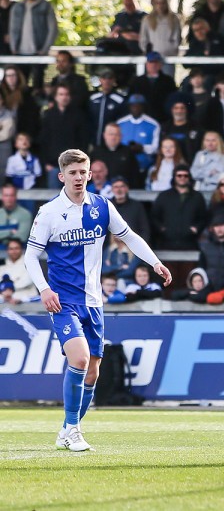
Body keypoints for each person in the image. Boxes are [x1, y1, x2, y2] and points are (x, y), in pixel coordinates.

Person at [24, 149, 172, 452]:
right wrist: (43, 289)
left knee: (93, 371)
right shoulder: (49, 212)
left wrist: (155, 263)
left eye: (84, 172)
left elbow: (129, 236)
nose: (79, 178)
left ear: (90, 174)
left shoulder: (101, 207)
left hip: (94, 301)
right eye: (73, 173)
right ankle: (74, 429)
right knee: (78, 360)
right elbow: (30, 255)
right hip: (63, 300)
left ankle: (67, 429)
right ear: (62, 176)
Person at [9, 0, 58, 87]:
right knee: (20, 85)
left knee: (38, 84)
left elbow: (53, 29)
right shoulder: (17, 7)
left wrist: (44, 49)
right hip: (20, 52)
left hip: (38, 52)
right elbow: (12, 28)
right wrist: (13, 47)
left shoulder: (45, 6)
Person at [151, 165, 207, 250]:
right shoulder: (164, 196)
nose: (182, 178)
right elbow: (154, 216)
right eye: (179, 175)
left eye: (185, 175)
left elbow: (203, 217)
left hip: (190, 243)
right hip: (166, 243)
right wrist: (162, 229)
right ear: (174, 177)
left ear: (189, 177)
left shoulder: (197, 197)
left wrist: (195, 229)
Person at [139, 0, 180, 74]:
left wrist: (171, 51)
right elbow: (143, 39)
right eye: (157, 3)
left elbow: (177, 39)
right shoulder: (147, 19)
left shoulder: (173, 19)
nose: (160, 6)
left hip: (168, 57)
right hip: (152, 58)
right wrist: (148, 53)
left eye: (162, 3)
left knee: (167, 82)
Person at [128, 53, 178, 123]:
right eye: (151, 62)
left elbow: (173, 99)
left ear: (160, 65)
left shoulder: (168, 81)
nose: (153, 65)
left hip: (163, 118)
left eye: (156, 62)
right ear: (147, 64)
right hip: (142, 118)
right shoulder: (137, 81)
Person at [88, 69, 127, 146]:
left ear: (113, 81)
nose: (107, 81)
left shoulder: (120, 100)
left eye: (109, 78)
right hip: (93, 141)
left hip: (112, 142)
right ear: (100, 80)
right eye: (104, 78)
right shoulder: (93, 98)